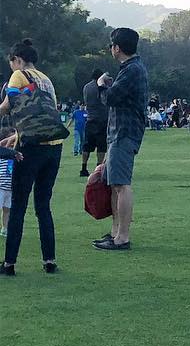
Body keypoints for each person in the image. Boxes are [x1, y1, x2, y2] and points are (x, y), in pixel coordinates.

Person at [0, 38, 65, 276]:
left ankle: (9, 264)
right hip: (54, 147)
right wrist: (13, 138)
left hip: (30, 149)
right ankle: (49, 260)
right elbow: (38, 116)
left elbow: (7, 106)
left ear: (16, 59)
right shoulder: (46, 80)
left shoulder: (19, 76)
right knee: (43, 206)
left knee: (18, 205)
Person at [95, 27, 149, 251]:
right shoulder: (131, 69)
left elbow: (111, 98)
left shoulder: (131, 70)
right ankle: (116, 232)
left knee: (121, 185)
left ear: (117, 48)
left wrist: (100, 86)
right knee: (114, 184)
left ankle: (122, 237)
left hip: (124, 133)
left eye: (111, 45)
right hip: (119, 133)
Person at [80, 68, 110, 177]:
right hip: (102, 119)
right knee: (101, 146)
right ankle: (99, 168)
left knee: (87, 145)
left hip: (90, 119)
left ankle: (83, 167)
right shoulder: (101, 86)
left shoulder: (86, 87)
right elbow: (107, 98)